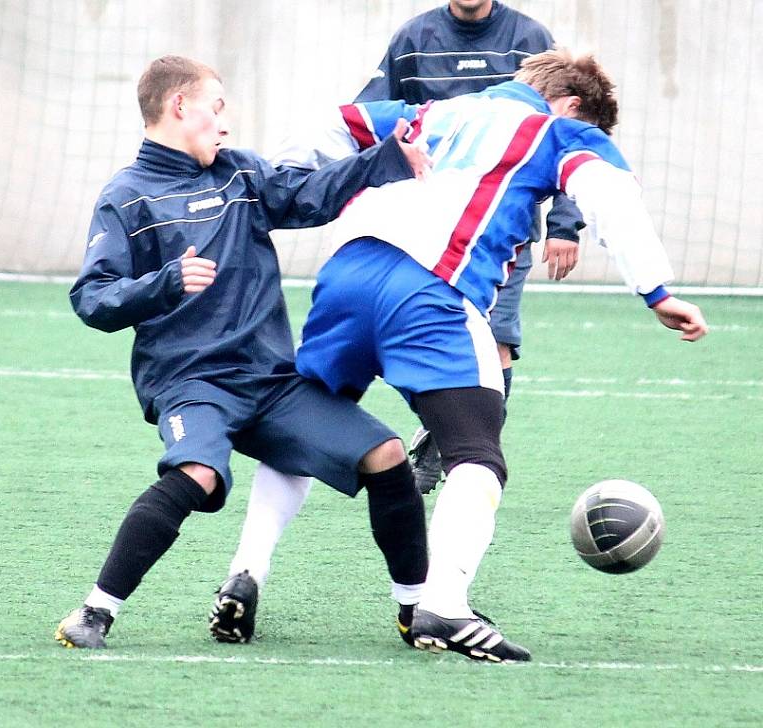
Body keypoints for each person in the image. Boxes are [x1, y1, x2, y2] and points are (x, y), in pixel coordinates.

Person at [276, 48, 708, 662]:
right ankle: (444, 603)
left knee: (303, 422)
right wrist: (656, 289)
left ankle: (247, 572)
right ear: (573, 105)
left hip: (347, 271)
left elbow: (334, 123)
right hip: (433, 292)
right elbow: (612, 194)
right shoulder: (559, 131)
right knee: (478, 452)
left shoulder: (434, 110)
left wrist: (279, 185)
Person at [54, 55, 432, 649]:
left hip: (270, 381)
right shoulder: (126, 197)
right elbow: (92, 299)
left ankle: (419, 612)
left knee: (385, 454)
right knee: (198, 473)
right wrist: (165, 282)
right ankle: (94, 614)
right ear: (180, 106)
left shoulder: (240, 175)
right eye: (216, 107)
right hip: (190, 383)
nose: (225, 124)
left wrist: (384, 160)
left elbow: (310, 195)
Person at [357, 0, 586, 494]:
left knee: (495, 340)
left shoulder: (530, 39)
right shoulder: (414, 38)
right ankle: (439, 438)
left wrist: (565, 223)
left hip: (503, 231)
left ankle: (460, 460)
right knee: (416, 342)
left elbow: (567, 135)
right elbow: (375, 118)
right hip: (422, 230)